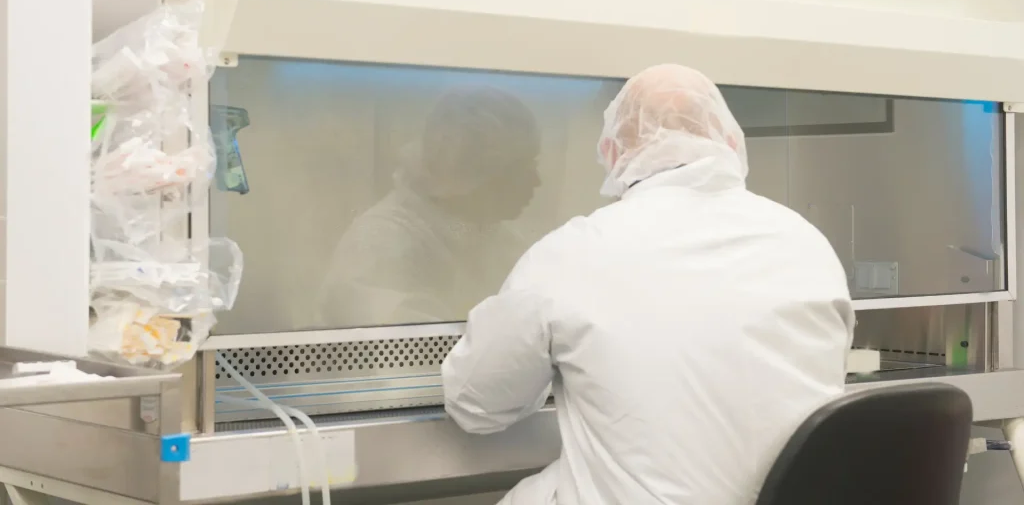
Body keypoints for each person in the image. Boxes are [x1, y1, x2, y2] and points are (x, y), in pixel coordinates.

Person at [441, 64, 854, 505]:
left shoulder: (572, 253)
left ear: (612, 152)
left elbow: (475, 404)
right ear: (732, 144)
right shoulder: (807, 243)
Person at [316, 86, 542, 328]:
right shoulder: (381, 244)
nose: (536, 181)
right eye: (521, 168)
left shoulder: (496, 238)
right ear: (474, 171)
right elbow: (418, 345)